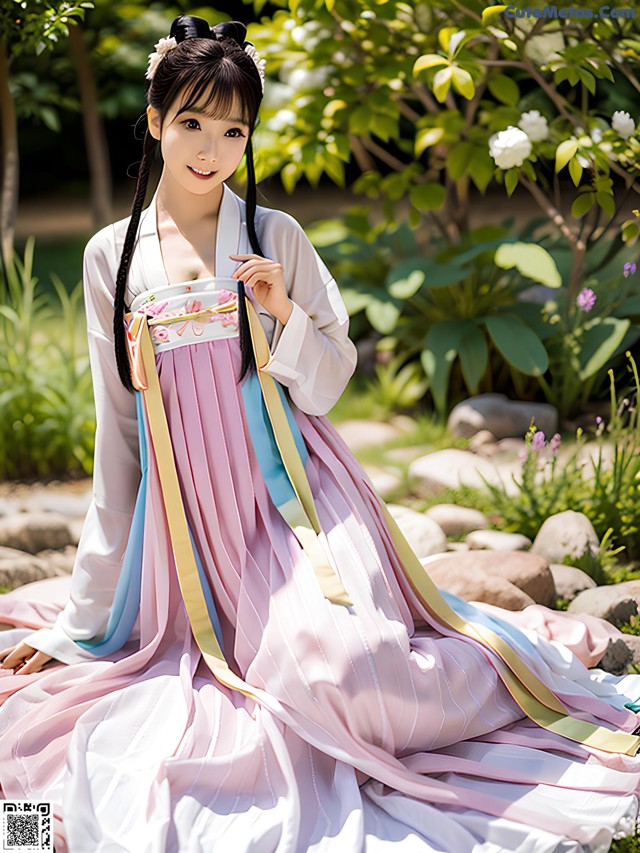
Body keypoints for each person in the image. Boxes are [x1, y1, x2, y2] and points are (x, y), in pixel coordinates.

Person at [0, 13, 639, 852]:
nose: (210, 149)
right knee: (162, 717)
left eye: (233, 130)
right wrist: (81, 622)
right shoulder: (109, 256)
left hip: (296, 505)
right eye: (190, 121)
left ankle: (497, 678)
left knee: (342, 671)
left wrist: (285, 313)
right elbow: (121, 431)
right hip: (190, 530)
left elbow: (333, 380)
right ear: (153, 121)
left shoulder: (274, 236)